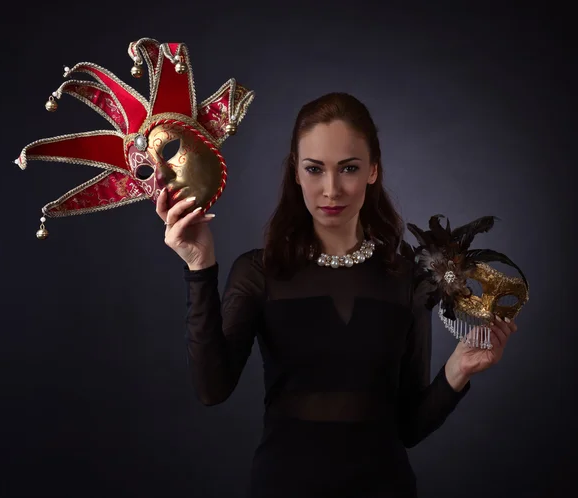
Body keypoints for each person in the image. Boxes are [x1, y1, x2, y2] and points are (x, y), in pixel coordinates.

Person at [155, 92, 518, 498]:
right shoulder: (259, 272)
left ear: (372, 171)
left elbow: (409, 428)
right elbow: (212, 389)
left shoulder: (407, 277)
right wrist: (199, 267)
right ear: (296, 171)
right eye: (314, 169)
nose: (331, 189)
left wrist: (458, 371)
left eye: (348, 168)